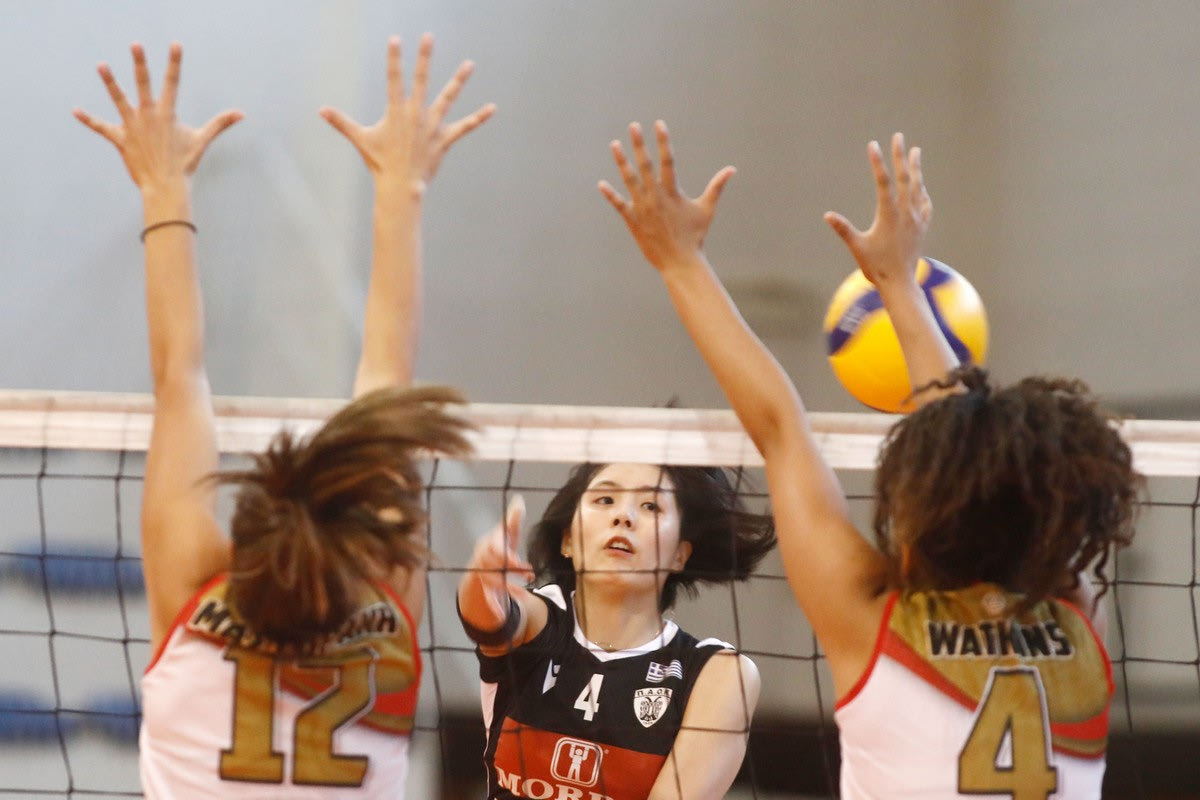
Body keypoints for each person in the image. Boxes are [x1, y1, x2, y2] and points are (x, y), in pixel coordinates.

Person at [598, 123, 1141, 799]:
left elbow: (781, 427)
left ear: (926, 511)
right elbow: (975, 469)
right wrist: (900, 284)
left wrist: (680, 262)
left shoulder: (873, 626)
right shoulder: (1080, 620)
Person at [75, 35, 493, 796]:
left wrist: (163, 190)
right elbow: (382, 383)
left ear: (239, 542)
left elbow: (179, 377)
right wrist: (402, 190)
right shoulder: (383, 598)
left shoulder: (199, 592)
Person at [457, 458, 775, 798]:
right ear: (568, 540)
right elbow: (490, 618)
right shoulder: (540, 622)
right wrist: (481, 579)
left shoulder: (717, 674)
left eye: (651, 505)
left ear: (680, 555)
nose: (624, 516)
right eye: (605, 499)